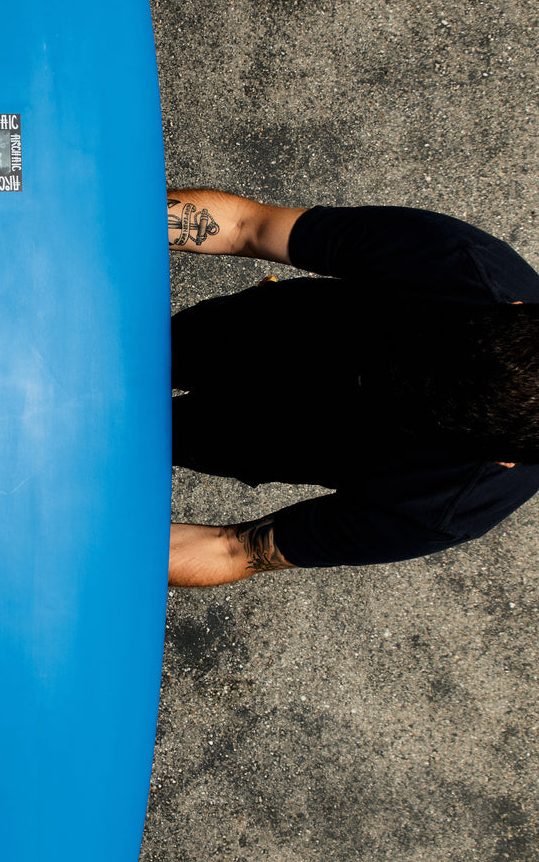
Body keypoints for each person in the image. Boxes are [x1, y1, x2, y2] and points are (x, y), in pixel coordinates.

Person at [166, 189, 539, 587]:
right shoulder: (459, 259)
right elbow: (245, 227)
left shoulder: (446, 506)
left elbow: (233, 549)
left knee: (132, 442)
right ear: (511, 307)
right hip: (247, 332)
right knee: (149, 346)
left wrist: (95, 554)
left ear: (503, 462)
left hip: (252, 439)